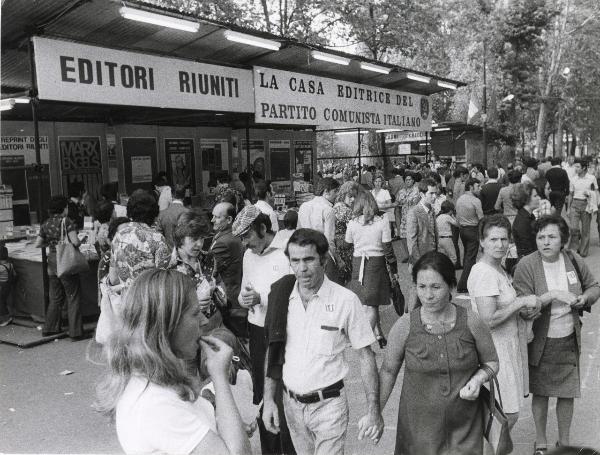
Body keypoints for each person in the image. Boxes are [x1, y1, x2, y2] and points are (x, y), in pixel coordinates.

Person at [95, 269, 251, 455]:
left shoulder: (151, 377)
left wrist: (226, 425)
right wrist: (220, 377)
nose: (203, 321)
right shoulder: (155, 404)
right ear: (167, 324)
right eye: (195, 314)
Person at [262, 228, 384, 455]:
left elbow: (366, 356)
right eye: (295, 261)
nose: (302, 268)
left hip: (329, 407)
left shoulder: (345, 301)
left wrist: (373, 409)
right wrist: (268, 399)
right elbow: (274, 350)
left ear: (324, 260)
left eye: (309, 259)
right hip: (292, 406)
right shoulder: (281, 296)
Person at [379, 251, 499, 455]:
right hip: (417, 432)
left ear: (451, 286)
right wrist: (375, 413)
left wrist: (478, 380)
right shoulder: (404, 326)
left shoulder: (472, 322)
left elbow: (492, 362)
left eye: (436, 287)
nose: (428, 295)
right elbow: (388, 371)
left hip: (465, 427)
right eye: (421, 287)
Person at [513, 216, 600, 452]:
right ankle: (541, 442)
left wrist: (585, 298)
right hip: (540, 340)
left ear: (563, 239)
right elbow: (523, 308)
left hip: (569, 337)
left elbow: (594, 286)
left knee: (566, 393)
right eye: (541, 237)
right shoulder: (526, 265)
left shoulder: (573, 258)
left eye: (551, 236)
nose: (545, 242)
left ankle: (565, 443)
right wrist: (552, 295)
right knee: (540, 392)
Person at [232, 205, 295, 455]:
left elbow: (293, 296)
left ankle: (289, 448)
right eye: (242, 239)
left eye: (247, 236)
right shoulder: (248, 256)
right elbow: (243, 292)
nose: (245, 243)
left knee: (281, 393)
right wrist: (243, 299)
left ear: (262, 228)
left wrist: (263, 299)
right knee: (261, 392)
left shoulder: (286, 254)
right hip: (257, 331)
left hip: (282, 332)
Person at [468, 214, 538, 433]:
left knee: (505, 416)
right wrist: (520, 303)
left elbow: (505, 309)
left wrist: (524, 312)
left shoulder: (498, 269)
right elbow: (488, 320)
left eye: (504, 239)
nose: (500, 244)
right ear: (481, 242)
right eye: (493, 239)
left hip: (508, 349)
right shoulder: (484, 273)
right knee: (502, 417)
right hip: (495, 351)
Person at [345, 191, 397, 347]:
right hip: (376, 262)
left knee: (363, 302)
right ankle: (366, 337)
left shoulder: (352, 223)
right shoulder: (382, 222)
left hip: (358, 262)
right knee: (373, 303)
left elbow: (347, 244)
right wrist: (394, 270)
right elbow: (388, 247)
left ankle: (377, 334)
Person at [34, 196, 84, 339]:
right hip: (65, 261)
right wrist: (78, 241)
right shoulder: (66, 221)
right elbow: (75, 242)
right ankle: (76, 332)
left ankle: (50, 328)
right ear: (64, 209)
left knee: (55, 297)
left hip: (52, 261)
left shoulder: (46, 223)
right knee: (73, 295)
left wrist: (53, 245)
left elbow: (38, 244)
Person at [170, 210, 225, 334]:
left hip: (215, 324)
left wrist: (218, 292)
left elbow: (219, 282)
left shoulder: (209, 258)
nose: (199, 244)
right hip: (187, 331)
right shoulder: (168, 267)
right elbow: (166, 309)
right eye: (194, 238)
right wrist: (192, 306)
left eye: (202, 238)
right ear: (180, 237)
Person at [108, 190, 171, 290]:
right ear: (154, 213)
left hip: (127, 300)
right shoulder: (157, 239)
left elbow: (113, 279)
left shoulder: (118, 237)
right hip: (150, 300)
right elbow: (163, 280)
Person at [210, 202, 245, 339]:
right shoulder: (227, 235)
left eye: (217, 217)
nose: (212, 220)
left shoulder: (224, 242)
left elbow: (210, 269)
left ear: (229, 219)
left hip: (230, 300)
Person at [297, 177, 342, 283]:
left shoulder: (304, 206)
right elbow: (329, 240)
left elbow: (298, 231)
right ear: (326, 191)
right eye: (335, 191)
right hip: (322, 255)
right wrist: (339, 260)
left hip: (305, 253)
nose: (337, 195)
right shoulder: (328, 210)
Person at [456, 178, 483, 292]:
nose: (480, 188)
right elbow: (481, 219)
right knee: (470, 258)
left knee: (467, 255)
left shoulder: (460, 199)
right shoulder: (476, 201)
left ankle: (470, 281)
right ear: (471, 187)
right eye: (478, 186)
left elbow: (457, 216)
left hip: (463, 230)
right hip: (473, 230)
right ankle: (463, 285)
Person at [567, 158, 598, 257]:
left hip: (586, 205)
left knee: (585, 230)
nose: (575, 168)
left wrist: (590, 194)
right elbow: (570, 194)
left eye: (577, 166)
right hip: (575, 205)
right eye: (575, 166)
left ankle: (583, 251)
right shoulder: (573, 179)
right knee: (573, 228)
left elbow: (596, 192)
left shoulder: (592, 178)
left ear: (584, 168)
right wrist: (568, 208)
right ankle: (573, 250)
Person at [406, 178, 438, 265]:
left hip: (433, 258)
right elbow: (411, 241)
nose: (434, 196)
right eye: (431, 193)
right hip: (421, 260)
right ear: (422, 194)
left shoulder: (432, 210)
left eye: (435, 193)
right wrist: (418, 263)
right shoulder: (413, 212)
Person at [332, 181, 359, 284]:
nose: (353, 200)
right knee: (346, 275)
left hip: (335, 244)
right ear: (344, 195)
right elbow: (354, 230)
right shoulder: (346, 210)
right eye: (350, 196)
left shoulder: (335, 206)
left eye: (354, 197)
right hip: (345, 244)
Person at [395, 171, 421, 262]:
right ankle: (408, 255)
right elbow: (397, 205)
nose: (408, 181)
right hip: (404, 218)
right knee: (402, 236)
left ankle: (415, 255)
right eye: (406, 180)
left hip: (415, 217)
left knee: (414, 236)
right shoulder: (401, 192)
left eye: (409, 179)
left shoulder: (418, 190)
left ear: (413, 181)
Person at [512, 182, 541, 259]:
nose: (539, 198)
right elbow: (528, 249)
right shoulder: (523, 221)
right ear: (526, 199)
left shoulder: (529, 216)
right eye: (535, 196)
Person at [436, 200, 458, 266]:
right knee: (453, 258)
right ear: (450, 210)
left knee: (442, 258)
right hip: (447, 239)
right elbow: (457, 224)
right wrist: (453, 216)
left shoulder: (438, 217)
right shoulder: (447, 217)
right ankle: (449, 270)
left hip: (439, 240)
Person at [0, 245, 16, 327]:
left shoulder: (1, 268)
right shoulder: (10, 265)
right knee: (2, 301)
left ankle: (6, 318)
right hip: (7, 287)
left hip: (2, 287)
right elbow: (14, 275)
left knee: (1, 303)